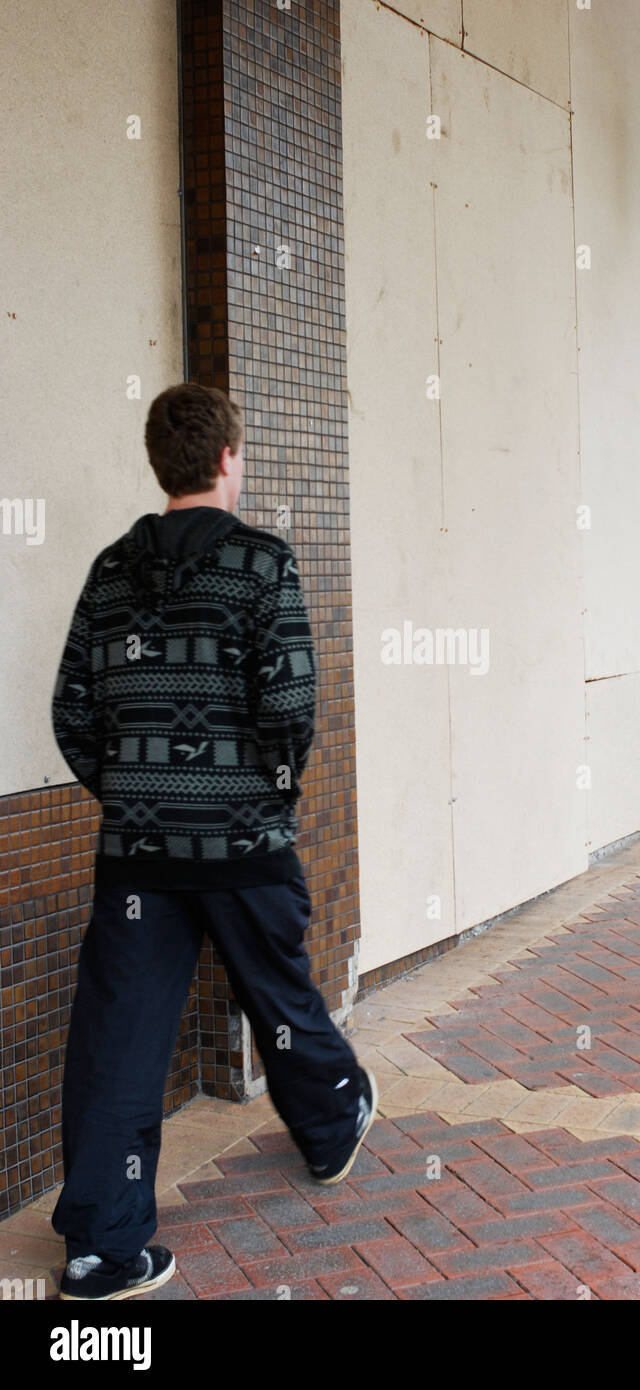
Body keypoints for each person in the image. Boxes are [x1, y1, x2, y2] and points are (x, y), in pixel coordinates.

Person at [49, 382, 376, 1301]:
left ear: (162, 464)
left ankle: (101, 1253)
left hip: (137, 859)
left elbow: (72, 709)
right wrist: (265, 794)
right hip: (240, 841)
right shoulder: (261, 562)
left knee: (118, 1040)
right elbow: (289, 707)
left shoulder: (111, 569)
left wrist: (132, 796)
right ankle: (331, 1122)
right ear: (229, 458)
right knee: (280, 998)